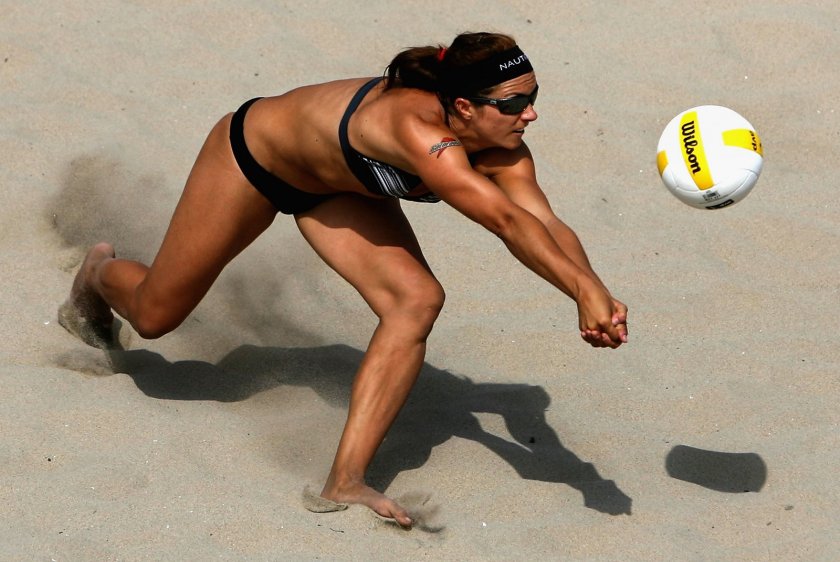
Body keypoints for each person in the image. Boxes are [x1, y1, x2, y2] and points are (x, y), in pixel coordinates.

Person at [59, 31, 628, 528]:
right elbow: (506, 222)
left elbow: (545, 222)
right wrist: (580, 293)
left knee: (416, 300)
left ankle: (345, 481)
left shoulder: (502, 147)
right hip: (254, 161)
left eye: (533, 99)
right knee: (158, 315)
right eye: (515, 104)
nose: (530, 115)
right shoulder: (420, 134)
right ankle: (98, 272)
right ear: (464, 107)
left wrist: (594, 289)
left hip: (338, 189)